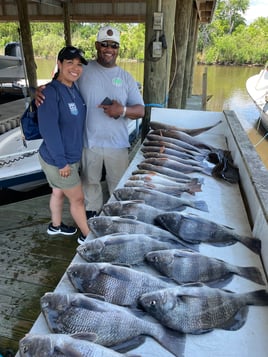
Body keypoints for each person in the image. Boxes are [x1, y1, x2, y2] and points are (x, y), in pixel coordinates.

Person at [36, 26, 145, 244]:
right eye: (104, 44)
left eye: (114, 46)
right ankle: (92, 218)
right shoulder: (84, 71)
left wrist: (122, 111)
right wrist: (39, 91)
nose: (109, 49)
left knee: (118, 185)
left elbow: (140, 110)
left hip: (118, 144)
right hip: (88, 142)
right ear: (97, 45)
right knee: (90, 184)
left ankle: (118, 219)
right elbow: (60, 84)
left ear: (118, 49)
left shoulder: (126, 77)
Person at [37, 46, 90, 242]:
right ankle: (88, 237)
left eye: (78, 64)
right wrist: (62, 163)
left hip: (68, 155)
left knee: (57, 192)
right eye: (70, 63)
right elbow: (49, 131)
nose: (75, 68)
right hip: (58, 159)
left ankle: (56, 226)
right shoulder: (50, 93)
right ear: (59, 64)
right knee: (77, 199)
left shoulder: (72, 88)